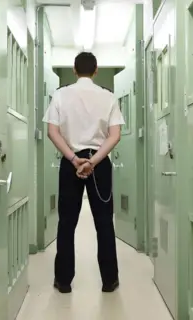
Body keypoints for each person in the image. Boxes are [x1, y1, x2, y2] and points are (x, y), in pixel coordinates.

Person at [42, 52, 125, 294]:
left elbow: (52, 132)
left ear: (74, 70)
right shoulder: (108, 98)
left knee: (67, 223)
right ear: (96, 70)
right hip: (100, 164)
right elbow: (115, 135)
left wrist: (74, 159)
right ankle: (109, 281)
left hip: (71, 163)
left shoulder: (60, 95)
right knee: (104, 223)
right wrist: (94, 161)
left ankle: (64, 281)